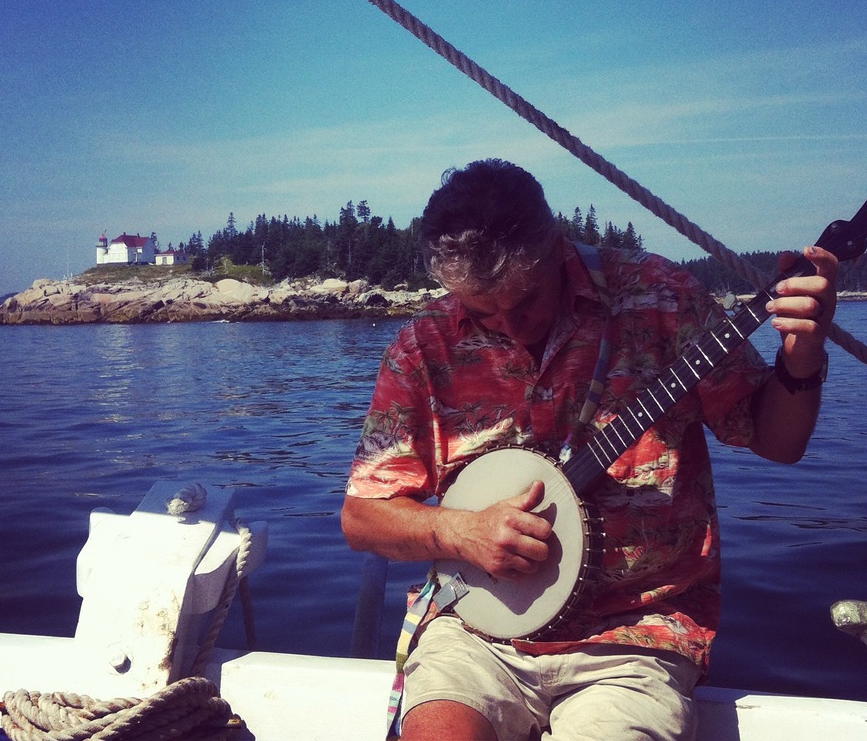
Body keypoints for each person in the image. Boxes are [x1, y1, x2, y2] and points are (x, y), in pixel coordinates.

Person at [341, 158, 837, 741]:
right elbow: (362, 518)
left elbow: (779, 443)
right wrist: (458, 532)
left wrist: (802, 359)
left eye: (524, 302)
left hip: (634, 636)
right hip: (473, 630)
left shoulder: (661, 299)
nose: (511, 327)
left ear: (556, 249)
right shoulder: (424, 345)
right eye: (482, 312)